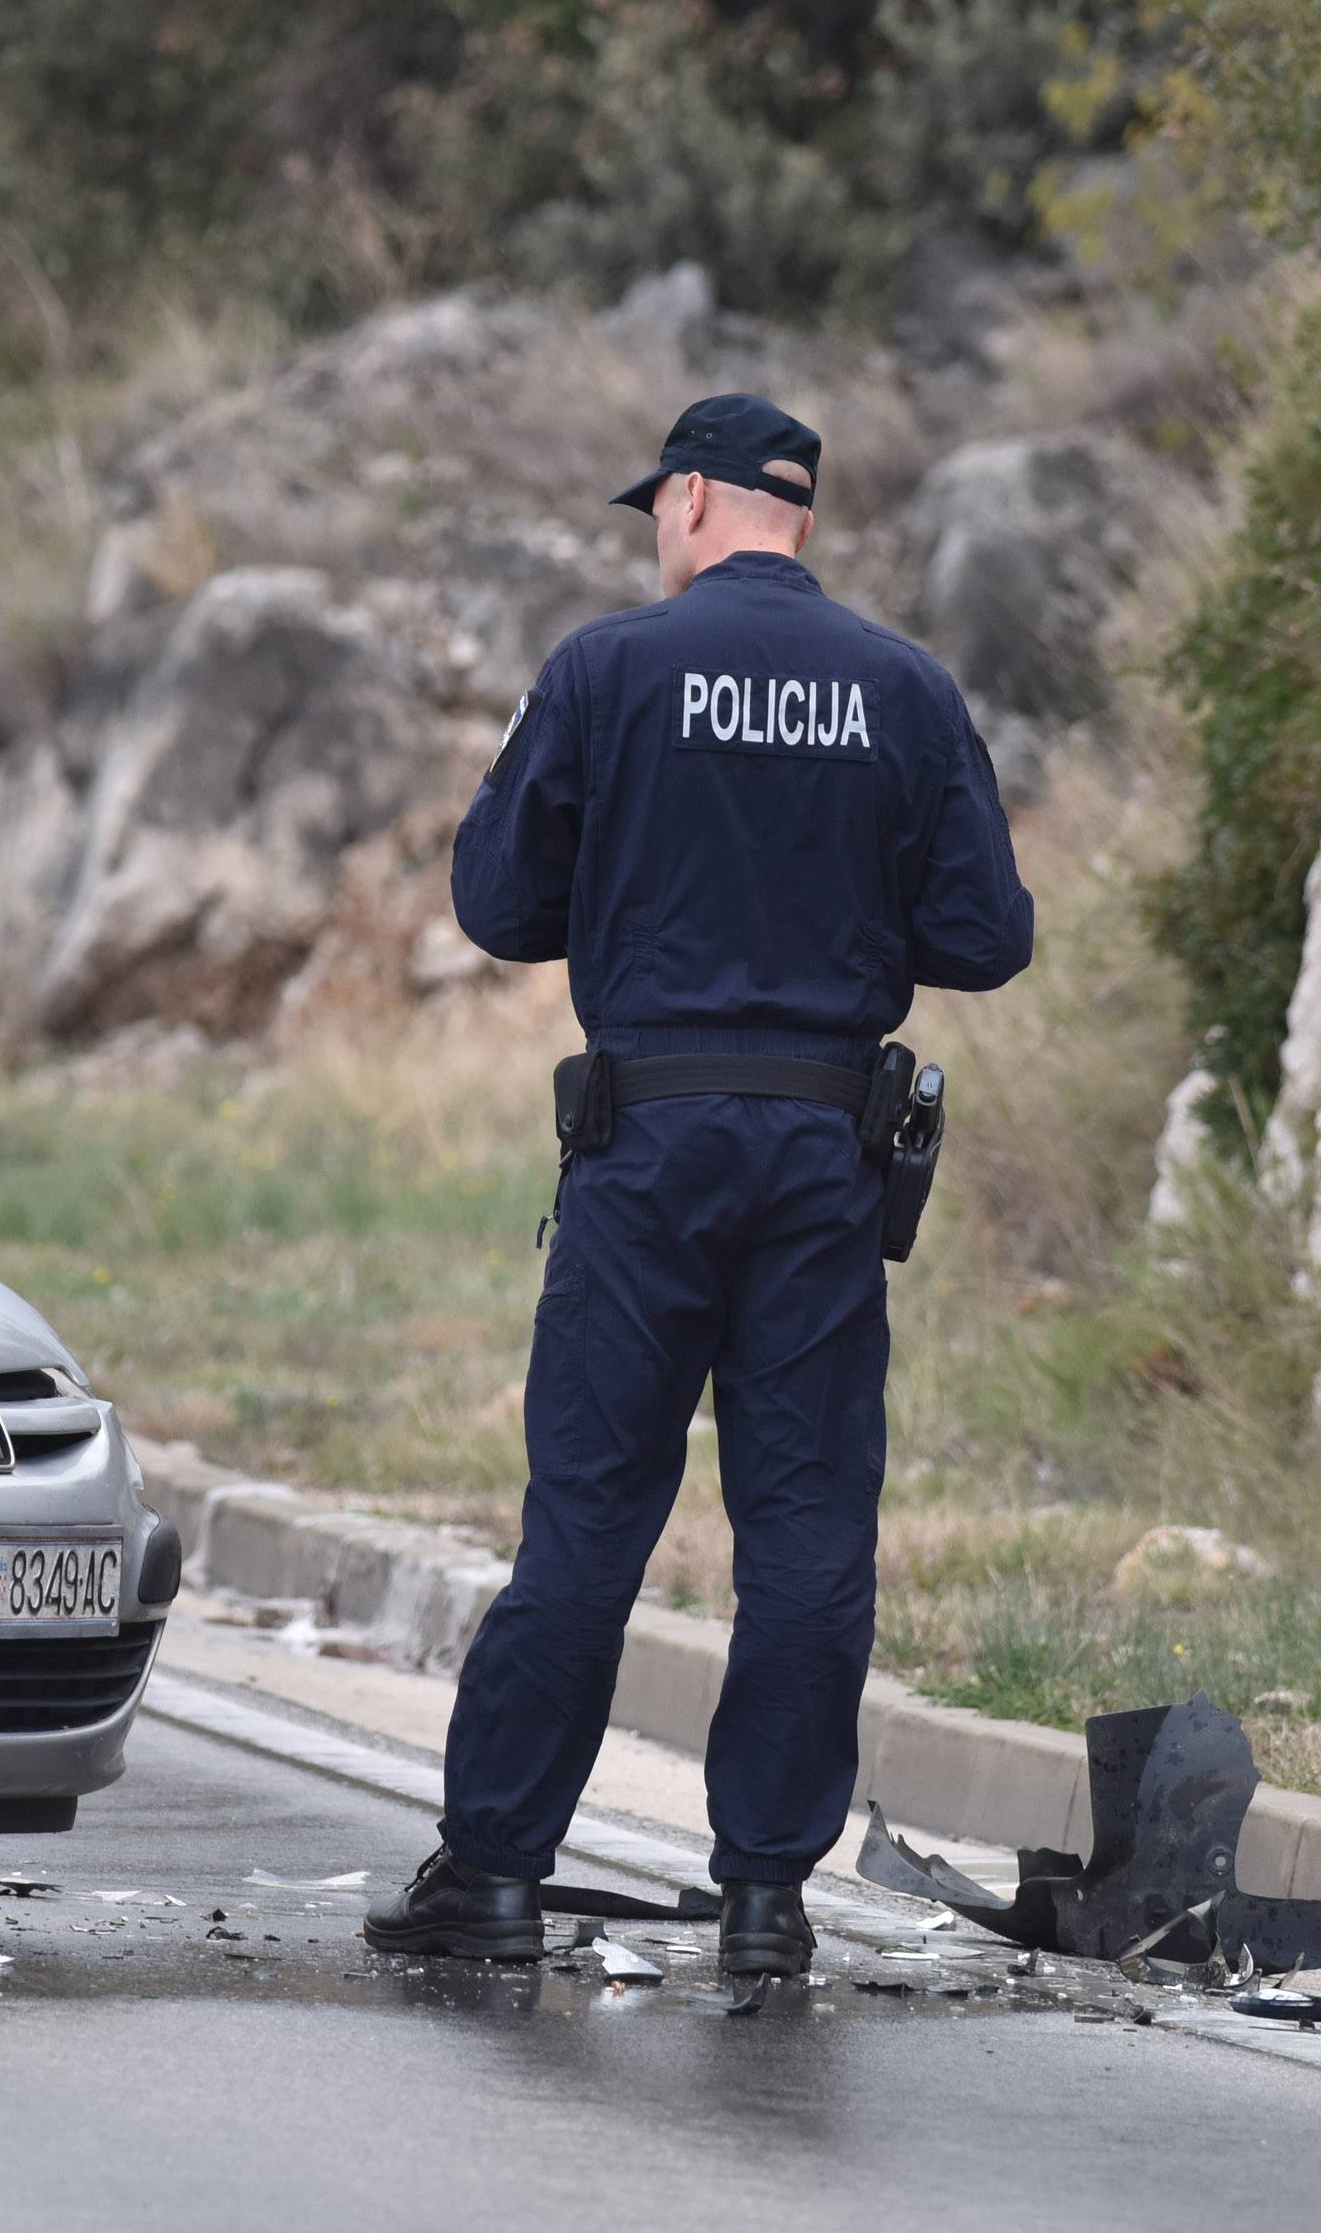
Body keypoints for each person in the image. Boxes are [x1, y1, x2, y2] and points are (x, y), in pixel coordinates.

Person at [363, 392, 1034, 1978]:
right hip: (821, 1153)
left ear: (687, 503)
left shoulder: (607, 669)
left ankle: (499, 1877)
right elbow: (987, 939)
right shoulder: (905, 687)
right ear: (797, 515)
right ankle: (764, 1898)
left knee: (590, 1515)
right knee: (805, 1526)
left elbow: (496, 898)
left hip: (647, 1146)